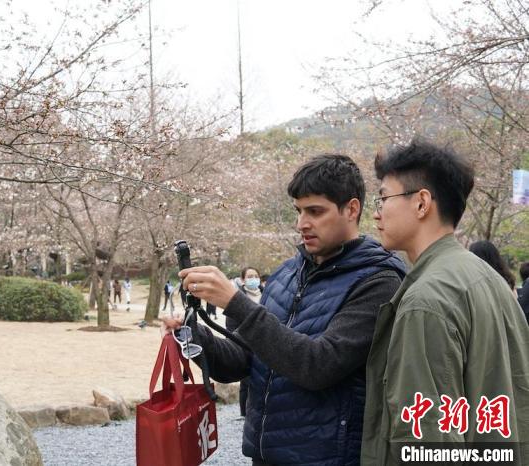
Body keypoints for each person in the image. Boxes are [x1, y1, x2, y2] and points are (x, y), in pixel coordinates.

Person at [165, 154, 406, 465]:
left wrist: (235, 302)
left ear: (352, 209)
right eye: (299, 211)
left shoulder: (378, 280)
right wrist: (189, 333)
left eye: (315, 211)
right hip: (266, 456)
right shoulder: (285, 275)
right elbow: (240, 363)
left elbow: (318, 365)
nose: (302, 223)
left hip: (328, 458)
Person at [363, 139, 529, 465]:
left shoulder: (426, 301)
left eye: (383, 198)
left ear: (422, 203)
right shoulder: (488, 278)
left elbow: (426, 442)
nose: (376, 214)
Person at [227, 266, 263, 418]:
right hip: (245, 344)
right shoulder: (238, 297)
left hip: (267, 344)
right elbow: (231, 325)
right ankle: (244, 412)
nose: (253, 279)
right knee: (246, 381)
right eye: (249, 276)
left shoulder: (268, 295)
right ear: (242, 280)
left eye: (255, 275)